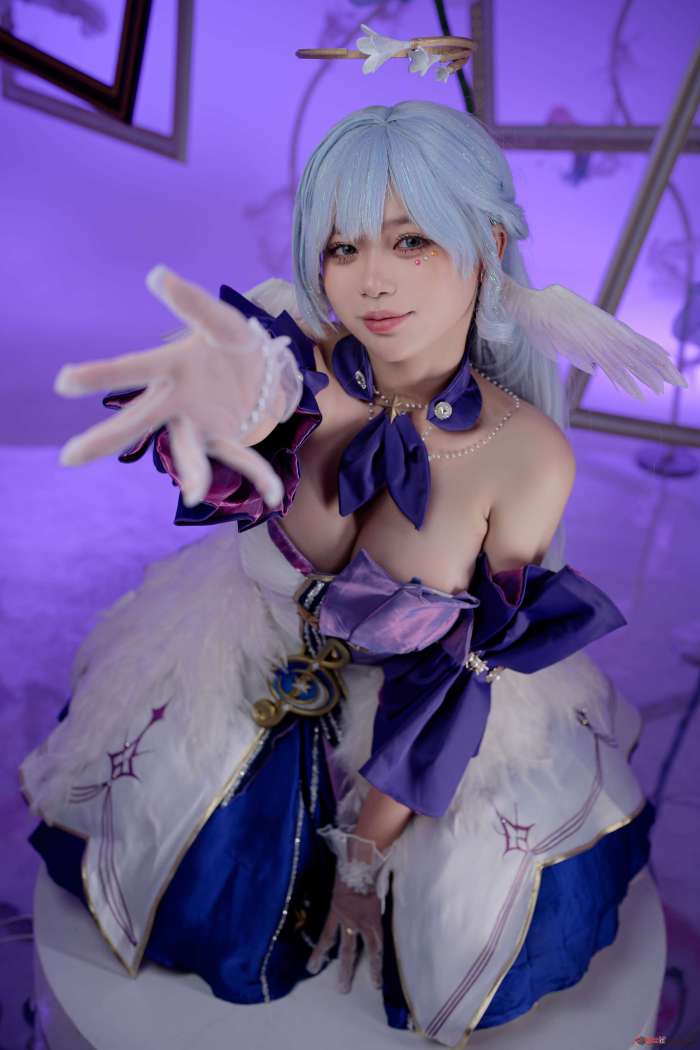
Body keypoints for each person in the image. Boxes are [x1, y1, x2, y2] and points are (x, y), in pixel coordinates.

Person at [21, 100, 683, 1044]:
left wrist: (366, 851)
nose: (371, 280)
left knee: (462, 923)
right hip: (239, 663)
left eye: (412, 241)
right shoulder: (290, 369)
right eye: (342, 247)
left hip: (418, 731)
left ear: (489, 245)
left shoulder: (526, 455)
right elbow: (228, 462)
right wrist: (223, 431)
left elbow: (459, 677)